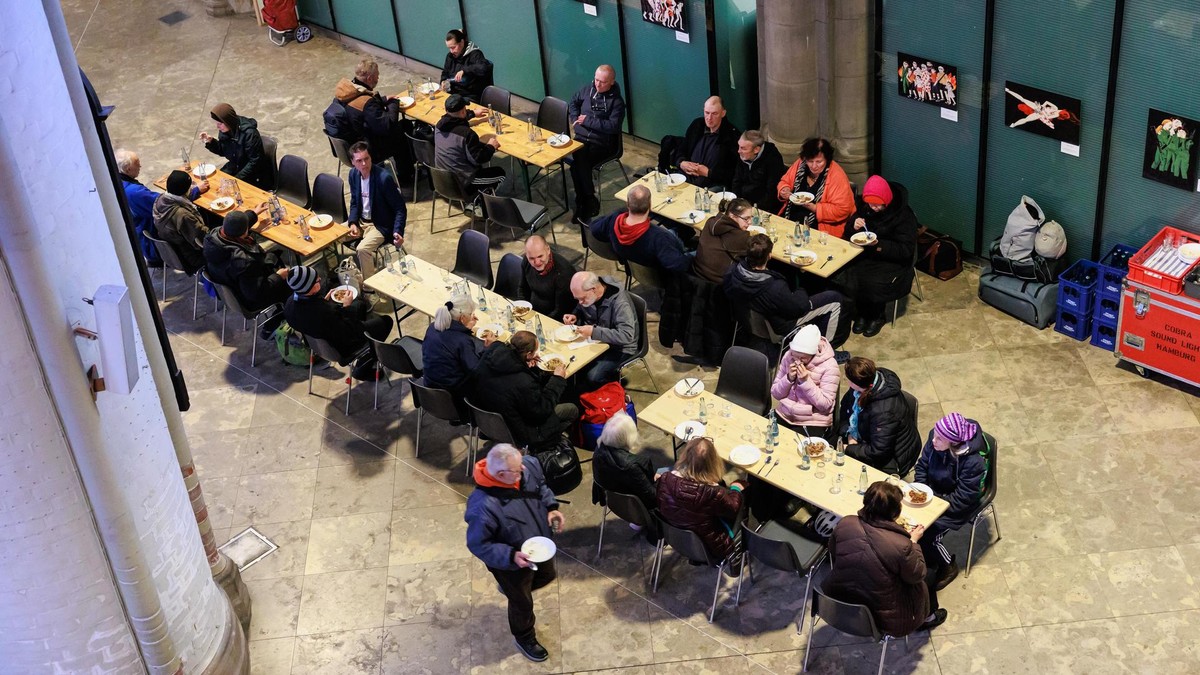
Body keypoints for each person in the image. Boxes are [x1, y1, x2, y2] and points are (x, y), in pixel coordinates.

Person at [465, 443, 564, 662]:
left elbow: (540, 486)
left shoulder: (524, 466)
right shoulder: (482, 507)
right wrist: (511, 557)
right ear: (501, 474)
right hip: (512, 562)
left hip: (538, 544)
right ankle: (524, 637)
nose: (524, 471)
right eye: (517, 470)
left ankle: (512, 589)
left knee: (547, 575)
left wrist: (551, 507)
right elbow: (478, 544)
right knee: (522, 602)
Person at [823, 481, 947, 636]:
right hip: (884, 617)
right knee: (929, 575)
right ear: (894, 513)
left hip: (838, 598)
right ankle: (928, 618)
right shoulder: (902, 544)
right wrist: (913, 542)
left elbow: (833, 550)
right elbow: (916, 576)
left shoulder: (846, 522)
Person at [722, 234, 848, 353]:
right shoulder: (774, 287)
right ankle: (826, 351)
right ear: (769, 256)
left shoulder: (734, 270)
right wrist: (801, 289)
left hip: (748, 321)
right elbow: (799, 308)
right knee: (834, 299)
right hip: (776, 328)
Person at [914, 412, 989, 591]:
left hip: (954, 505)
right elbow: (922, 465)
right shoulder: (935, 437)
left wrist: (935, 506)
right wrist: (922, 492)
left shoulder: (973, 462)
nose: (933, 440)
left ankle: (948, 566)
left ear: (953, 442)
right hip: (933, 494)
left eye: (940, 439)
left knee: (929, 535)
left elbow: (964, 497)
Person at [471, 331, 578, 452]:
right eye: (534, 352)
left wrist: (525, 367)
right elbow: (541, 411)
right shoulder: (524, 382)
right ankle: (548, 446)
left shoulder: (492, 352)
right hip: (517, 430)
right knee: (572, 409)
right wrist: (558, 380)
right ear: (528, 354)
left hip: (485, 419)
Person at [655, 437, 746, 572]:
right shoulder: (714, 493)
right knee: (743, 498)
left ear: (686, 456)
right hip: (710, 548)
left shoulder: (665, 479)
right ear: (712, 462)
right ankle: (738, 560)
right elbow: (733, 509)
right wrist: (736, 489)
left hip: (675, 537)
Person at [282, 266, 393, 372]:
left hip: (316, 343)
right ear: (309, 287)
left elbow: (316, 317)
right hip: (340, 346)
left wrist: (324, 301)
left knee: (360, 305)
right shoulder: (323, 312)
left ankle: (367, 347)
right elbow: (346, 331)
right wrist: (346, 306)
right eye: (316, 280)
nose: (320, 279)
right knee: (387, 321)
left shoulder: (289, 304)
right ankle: (366, 362)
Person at [845, 175, 918, 337]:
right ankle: (862, 314)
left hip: (892, 258)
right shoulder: (865, 207)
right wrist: (854, 224)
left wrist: (878, 245)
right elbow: (850, 230)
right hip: (867, 253)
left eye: (878, 205)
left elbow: (905, 250)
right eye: (870, 204)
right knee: (851, 273)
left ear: (887, 200)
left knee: (874, 280)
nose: (874, 208)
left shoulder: (903, 216)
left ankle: (877, 316)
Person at [117, 148, 206, 267]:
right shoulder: (135, 192)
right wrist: (195, 191)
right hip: (163, 244)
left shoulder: (119, 183)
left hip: (146, 237)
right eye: (137, 164)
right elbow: (167, 202)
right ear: (128, 169)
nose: (141, 166)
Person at [837, 357, 921, 476]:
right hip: (867, 440)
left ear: (858, 383)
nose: (846, 381)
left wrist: (850, 449)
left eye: (848, 379)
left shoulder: (884, 412)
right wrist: (849, 433)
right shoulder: (861, 386)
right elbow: (845, 410)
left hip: (894, 456)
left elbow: (879, 451)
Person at [567, 64, 626, 225]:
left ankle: (584, 202)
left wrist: (588, 121)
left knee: (577, 163)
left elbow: (613, 127)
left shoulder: (617, 103)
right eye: (596, 80)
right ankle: (588, 199)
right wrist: (574, 119)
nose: (598, 84)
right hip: (582, 138)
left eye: (603, 82)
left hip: (603, 144)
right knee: (579, 159)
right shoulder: (588, 90)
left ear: (612, 82)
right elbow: (573, 102)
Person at [589, 185, 692, 274]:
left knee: (677, 231)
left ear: (628, 204)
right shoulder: (658, 237)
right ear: (650, 205)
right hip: (660, 274)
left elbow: (594, 228)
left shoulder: (614, 220)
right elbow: (680, 266)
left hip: (637, 267)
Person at [202, 206, 288, 312]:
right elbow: (257, 294)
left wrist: (253, 214)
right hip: (249, 299)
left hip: (232, 286)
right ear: (244, 232)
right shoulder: (244, 262)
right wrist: (278, 277)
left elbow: (234, 227)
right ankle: (285, 315)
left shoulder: (212, 238)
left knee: (273, 257)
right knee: (291, 282)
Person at [563, 272, 639, 388]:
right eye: (577, 299)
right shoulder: (589, 294)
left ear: (593, 289)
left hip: (620, 348)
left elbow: (627, 336)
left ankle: (607, 395)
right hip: (597, 341)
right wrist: (575, 315)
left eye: (582, 299)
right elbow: (581, 306)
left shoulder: (620, 303)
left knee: (592, 377)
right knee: (569, 361)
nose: (580, 303)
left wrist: (594, 332)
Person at [327, 59, 409, 167]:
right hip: (369, 150)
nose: (378, 78)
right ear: (370, 78)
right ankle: (407, 176)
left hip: (350, 147)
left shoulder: (345, 92)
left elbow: (361, 107)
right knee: (405, 127)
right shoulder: (367, 102)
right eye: (377, 76)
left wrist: (383, 99)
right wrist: (394, 103)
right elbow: (388, 126)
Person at [434, 94, 505, 212]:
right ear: (463, 112)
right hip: (463, 182)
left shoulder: (439, 125)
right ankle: (479, 200)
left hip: (442, 179)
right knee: (500, 173)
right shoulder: (467, 134)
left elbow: (455, 120)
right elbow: (479, 159)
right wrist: (491, 147)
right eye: (465, 110)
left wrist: (472, 114)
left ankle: (479, 196)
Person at [347, 141, 407, 279]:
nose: (364, 164)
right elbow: (355, 202)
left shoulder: (383, 178)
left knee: (362, 249)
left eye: (366, 159)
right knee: (335, 234)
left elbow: (400, 208)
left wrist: (398, 231)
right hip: (362, 221)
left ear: (371, 158)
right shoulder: (353, 175)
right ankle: (348, 277)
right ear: (353, 162)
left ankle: (369, 289)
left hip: (380, 225)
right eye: (359, 160)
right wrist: (353, 222)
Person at [770, 324, 840, 441]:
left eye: (803, 358)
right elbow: (776, 393)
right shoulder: (788, 356)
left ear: (813, 354)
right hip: (785, 413)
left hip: (813, 420)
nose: (797, 361)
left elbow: (825, 405)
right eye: (794, 355)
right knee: (770, 439)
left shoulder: (830, 366)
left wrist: (806, 382)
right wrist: (788, 379)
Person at [421, 294, 494, 403]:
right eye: (470, 314)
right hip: (454, 395)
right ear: (462, 318)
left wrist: (465, 328)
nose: (472, 316)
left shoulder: (432, 327)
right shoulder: (462, 341)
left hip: (430, 385)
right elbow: (476, 370)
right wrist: (487, 348)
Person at [777, 137, 855, 239]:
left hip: (819, 228)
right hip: (790, 218)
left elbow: (843, 209)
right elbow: (784, 181)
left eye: (819, 162)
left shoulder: (837, 175)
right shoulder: (800, 164)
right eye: (810, 161)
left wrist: (816, 208)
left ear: (827, 159)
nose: (814, 166)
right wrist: (784, 189)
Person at [658, 96, 740, 188]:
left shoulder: (732, 136)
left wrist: (708, 173)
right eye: (707, 113)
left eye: (714, 114)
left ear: (723, 113)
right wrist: (681, 163)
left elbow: (733, 173)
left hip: (712, 183)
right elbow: (682, 148)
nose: (709, 118)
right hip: (687, 175)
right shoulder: (697, 125)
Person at [592, 411, 658, 513]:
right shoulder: (632, 466)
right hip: (635, 509)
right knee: (667, 475)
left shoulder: (598, 450)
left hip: (611, 501)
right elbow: (651, 497)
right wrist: (661, 481)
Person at [200, 103, 271, 189]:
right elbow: (224, 151)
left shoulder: (249, 133)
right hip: (235, 167)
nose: (217, 127)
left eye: (220, 123)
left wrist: (236, 179)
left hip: (252, 173)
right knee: (215, 186)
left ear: (228, 121)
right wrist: (211, 142)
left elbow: (255, 162)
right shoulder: (226, 129)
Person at [151, 170, 210, 270]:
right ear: (186, 190)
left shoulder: (160, 199)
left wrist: (197, 190)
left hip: (174, 251)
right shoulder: (183, 215)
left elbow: (181, 199)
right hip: (191, 256)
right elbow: (202, 238)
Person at [693, 197, 753, 284]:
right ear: (732, 216)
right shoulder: (741, 237)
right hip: (717, 285)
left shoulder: (711, 222)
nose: (750, 222)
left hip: (696, 273)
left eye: (751, 217)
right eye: (746, 218)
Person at [518, 235, 578, 319]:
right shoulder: (526, 261)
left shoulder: (563, 273)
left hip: (553, 318)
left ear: (548, 250)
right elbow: (522, 289)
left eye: (540, 256)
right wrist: (523, 311)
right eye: (531, 258)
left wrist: (539, 322)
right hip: (532, 312)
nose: (537, 262)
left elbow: (561, 310)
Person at [731, 131, 786, 214]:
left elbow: (771, 192)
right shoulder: (743, 155)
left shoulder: (773, 159)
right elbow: (736, 181)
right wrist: (737, 202)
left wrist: (753, 209)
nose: (739, 151)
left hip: (763, 207)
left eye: (743, 148)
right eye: (739, 146)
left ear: (756, 149)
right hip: (744, 203)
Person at [440, 29, 490, 102]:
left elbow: (483, 68)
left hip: (469, 94)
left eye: (453, 47)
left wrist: (465, 70)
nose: (451, 51)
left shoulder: (475, 54)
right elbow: (445, 72)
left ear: (462, 42)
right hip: (454, 92)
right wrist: (443, 81)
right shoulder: (450, 56)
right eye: (449, 48)